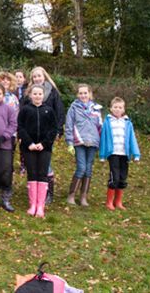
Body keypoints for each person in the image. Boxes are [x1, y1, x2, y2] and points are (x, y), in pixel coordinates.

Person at [23, 66, 65, 204]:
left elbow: (59, 112)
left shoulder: (52, 92)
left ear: (44, 76)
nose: (37, 78)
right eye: (34, 76)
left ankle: (48, 192)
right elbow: (22, 114)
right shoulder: (28, 93)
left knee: (46, 164)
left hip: (47, 135)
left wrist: (58, 130)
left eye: (39, 76)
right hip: (31, 135)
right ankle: (34, 193)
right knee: (33, 164)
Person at [18, 84, 57, 218]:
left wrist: (44, 144)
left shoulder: (49, 110)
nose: (37, 96)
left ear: (43, 95)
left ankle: (40, 205)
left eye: (40, 94)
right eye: (35, 94)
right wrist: (29, 143)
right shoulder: (25, 110)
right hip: (29, 148)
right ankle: (32, 204)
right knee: (32, 173)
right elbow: (20, 128)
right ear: (30, 95)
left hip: (44, 148)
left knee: (42, 174)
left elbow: (53, 129)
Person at [99, 97, 140, 211]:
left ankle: (118, 202)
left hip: (124, 154)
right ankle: (109, 202)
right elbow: (103, 139)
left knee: (122, 178)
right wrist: (102, 155)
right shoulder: (107, 122)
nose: (117, 109)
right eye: (115, 107)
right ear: (111, 108)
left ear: (123, 109)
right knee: (114, 177)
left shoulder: (127, 123)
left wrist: (136, 154)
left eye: (120, 107)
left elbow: (132, 139)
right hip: (113, 154)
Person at [65, 84, 102, 206]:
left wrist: (101, 143)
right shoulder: (73, 108)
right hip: (79, 141)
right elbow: (69, 125)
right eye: (80, 93)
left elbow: (100, 127)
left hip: (93, 142)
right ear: (77, 95)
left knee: (88, 169)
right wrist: (69, 142)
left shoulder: (96, 109)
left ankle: (83, 197)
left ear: (90, 94)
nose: (83, 95)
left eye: (85, 93)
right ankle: (71, 195)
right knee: (81, 167)